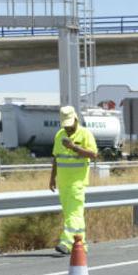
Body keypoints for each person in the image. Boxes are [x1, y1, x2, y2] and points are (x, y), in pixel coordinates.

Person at [48, 106, 98, 255]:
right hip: (63, 183)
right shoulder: (59, 135)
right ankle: (80, 244)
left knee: (73, 214)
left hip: (77, 182)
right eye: (66, 126)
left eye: (70, 126)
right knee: (72, 214)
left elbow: (93, 154)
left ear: (76, 119)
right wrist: (52, 177)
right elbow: (56, 158)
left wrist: (74, 147)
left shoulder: (85, 134)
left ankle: (66, 241)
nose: (68, 129)